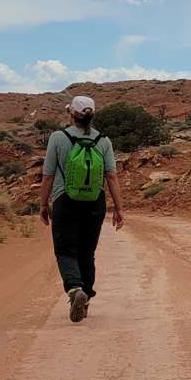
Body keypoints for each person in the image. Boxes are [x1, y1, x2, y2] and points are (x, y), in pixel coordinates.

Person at [41, 95, 124, 322]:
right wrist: (118, 208)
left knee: (65, 250)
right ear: (92, 115)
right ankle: (85, 298)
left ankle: (75, 288)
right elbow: (111, 176)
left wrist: (43, 204)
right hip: (95, 202)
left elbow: (48, 176)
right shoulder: (103, 140)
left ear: (71, 113)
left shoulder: (58, 137)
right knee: (87, 252)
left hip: (65, 200)